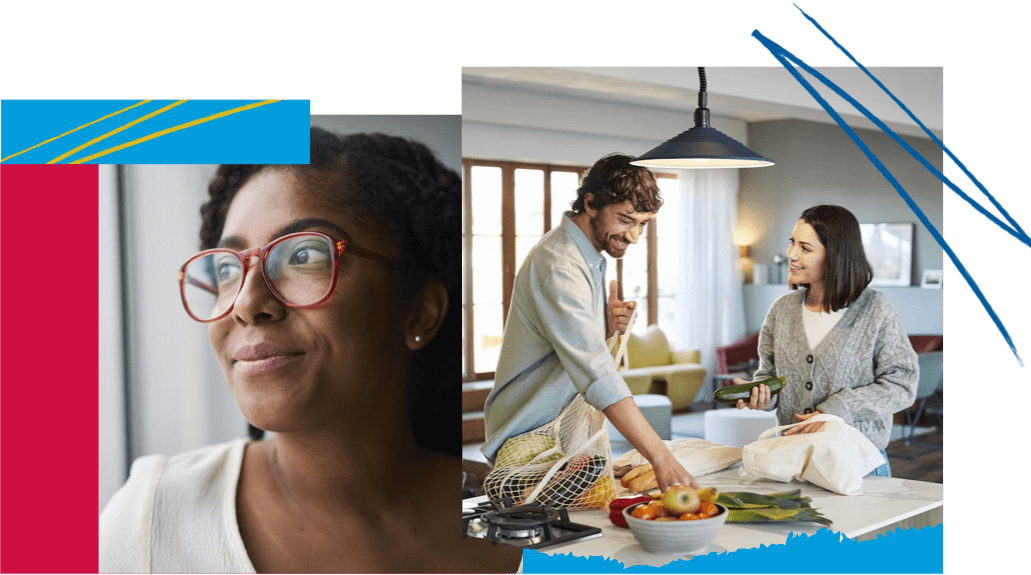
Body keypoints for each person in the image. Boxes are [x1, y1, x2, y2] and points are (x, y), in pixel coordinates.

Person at [99, 127, 521, 573]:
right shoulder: (151, 521)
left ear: (420, 311)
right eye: (227, 268)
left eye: (303, 257)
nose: (245, 303)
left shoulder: (523, 521)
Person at [481, 153, 698, 492]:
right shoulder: (560, 265)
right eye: (626, 220)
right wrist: (661, 457)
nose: (635, 236)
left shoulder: (587, 254)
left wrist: (606, 327)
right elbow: (597, 373)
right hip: (529, 437)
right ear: (592, 203)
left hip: (562, 435)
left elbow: (571, 345)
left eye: (643, 224)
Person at [735, 204, 919, 477]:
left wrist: (838, 409)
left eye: (805, 248)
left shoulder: (875, 309)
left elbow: (902, 385)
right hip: (793, 462)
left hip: (858, 465)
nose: (792, 255)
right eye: (792, 242)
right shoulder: (781, 310)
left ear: (836, 256)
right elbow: (772, 375)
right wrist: (761, 395)